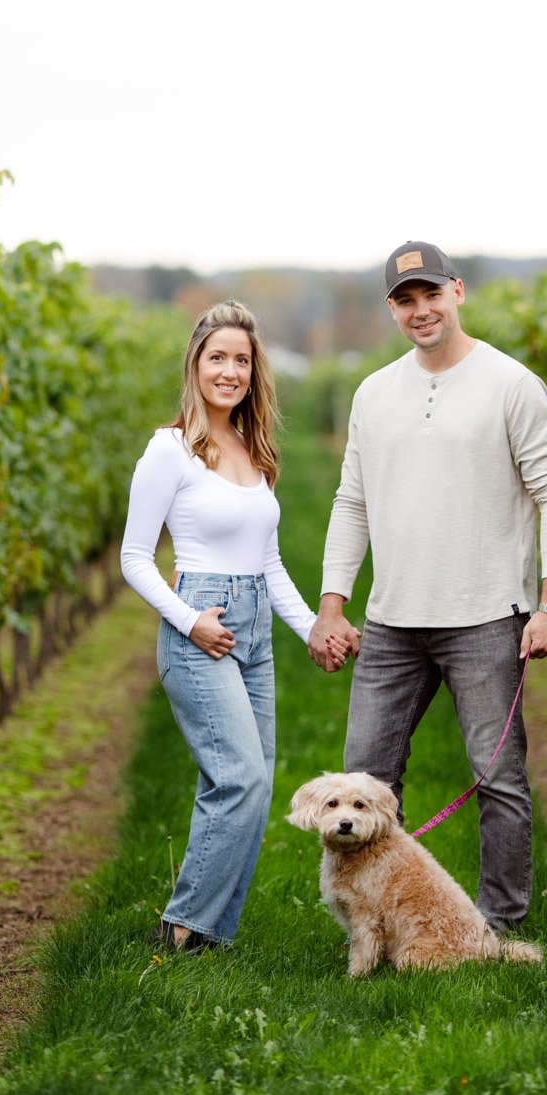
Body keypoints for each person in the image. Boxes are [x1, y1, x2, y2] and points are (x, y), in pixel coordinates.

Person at [309, 241, 547, 935]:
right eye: (405, 299)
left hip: (487, 616)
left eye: (430, 293)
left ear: (457, 292)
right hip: (393, 621)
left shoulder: (511, 384)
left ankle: (497, 928)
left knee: (500, 784)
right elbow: (351, 503)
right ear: (392, 308)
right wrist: (333, 603)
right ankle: (379, 923)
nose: (420, 309)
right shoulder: (375, 392)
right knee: (364, 782)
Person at [121, 299, 354, 952]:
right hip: (203, 623)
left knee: (251, 784)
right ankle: (181, 924)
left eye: (242, 360)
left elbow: (269, 563)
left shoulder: (253, 448)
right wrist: (189, 619)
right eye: (217, 357)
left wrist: (313, 627)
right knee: (241, 778)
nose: (230, 371)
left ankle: (211, 935)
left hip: (253, 626)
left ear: (255, 373)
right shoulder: (169, 449)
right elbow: (134, 558)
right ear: (195, 365)